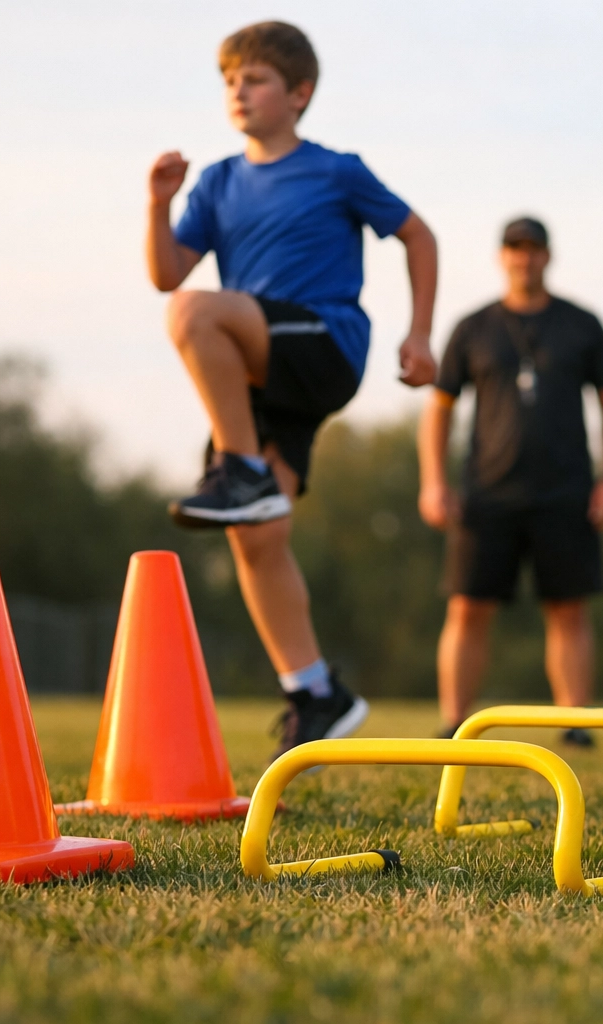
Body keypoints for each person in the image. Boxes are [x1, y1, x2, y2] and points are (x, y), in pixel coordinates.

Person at [145, 21, 438, 757]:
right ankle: (314, 692)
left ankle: (239, 470)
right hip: (259, 378)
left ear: (299, 93)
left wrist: (420, 334)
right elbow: (165, 270)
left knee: (194, 314)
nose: (238, 92)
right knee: (257, 537)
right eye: (229, 82)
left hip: (321, 343)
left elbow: (419, 236)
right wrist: (158, 203)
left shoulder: (335, 171)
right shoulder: (216, 182)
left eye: (256, 80)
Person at [418, 217, 603, 746]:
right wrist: (433, 482)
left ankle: (575, 722)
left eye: (533, 249)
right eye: (514, 248)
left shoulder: (582, 324)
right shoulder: (473, 327)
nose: (524, 258)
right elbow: (439, 408)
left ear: (547, 257)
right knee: (467, 606)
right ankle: (454, 722)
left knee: (569, 608)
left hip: (567, 491)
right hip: (486, 494)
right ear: (501, 256)